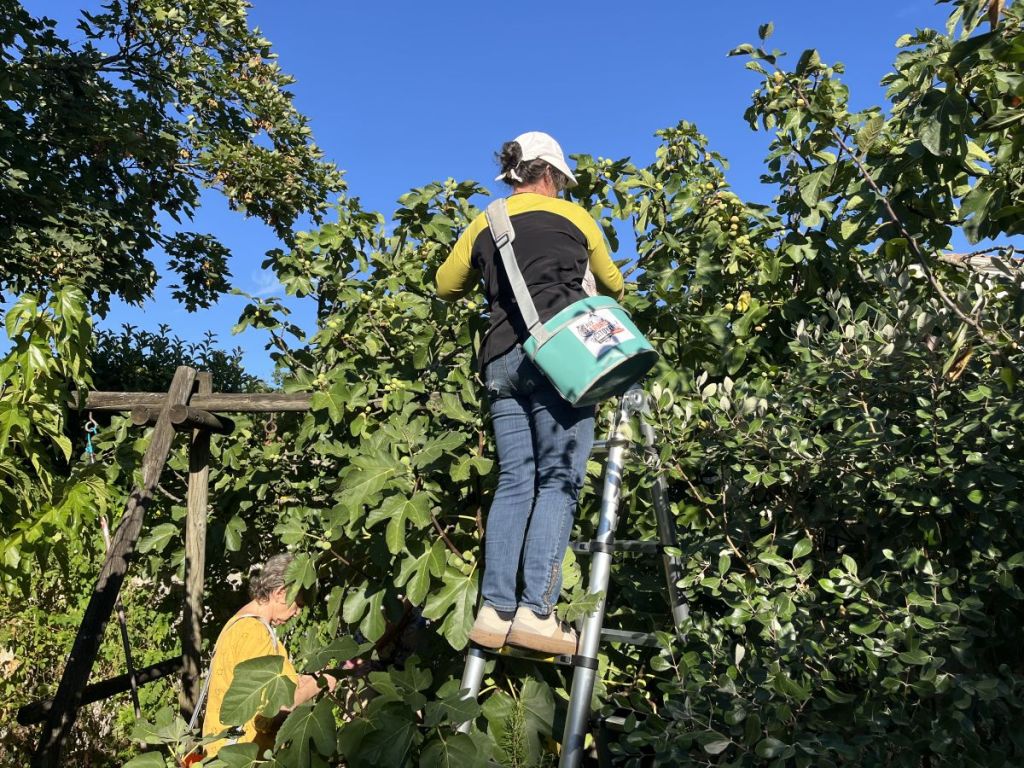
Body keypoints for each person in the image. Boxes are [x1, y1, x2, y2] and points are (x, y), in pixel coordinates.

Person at [436, 131, 624, 655]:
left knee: (516, 481)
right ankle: (537, 614)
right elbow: (614, 285)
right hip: (562, 356)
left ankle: (495, 611)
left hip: (501, 360)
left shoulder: (486, 220)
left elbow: (445, 285)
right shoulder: (576, 217)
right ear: (552, 175)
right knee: (559, 481)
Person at [201, 553, 337, 760]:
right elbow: (269, 713)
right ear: (281, 593)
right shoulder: (256, 634)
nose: (297, 613)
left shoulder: (237, 623)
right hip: (243, 756)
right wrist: (321, 682)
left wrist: (303, 680)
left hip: (221, 751)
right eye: (298, 604)